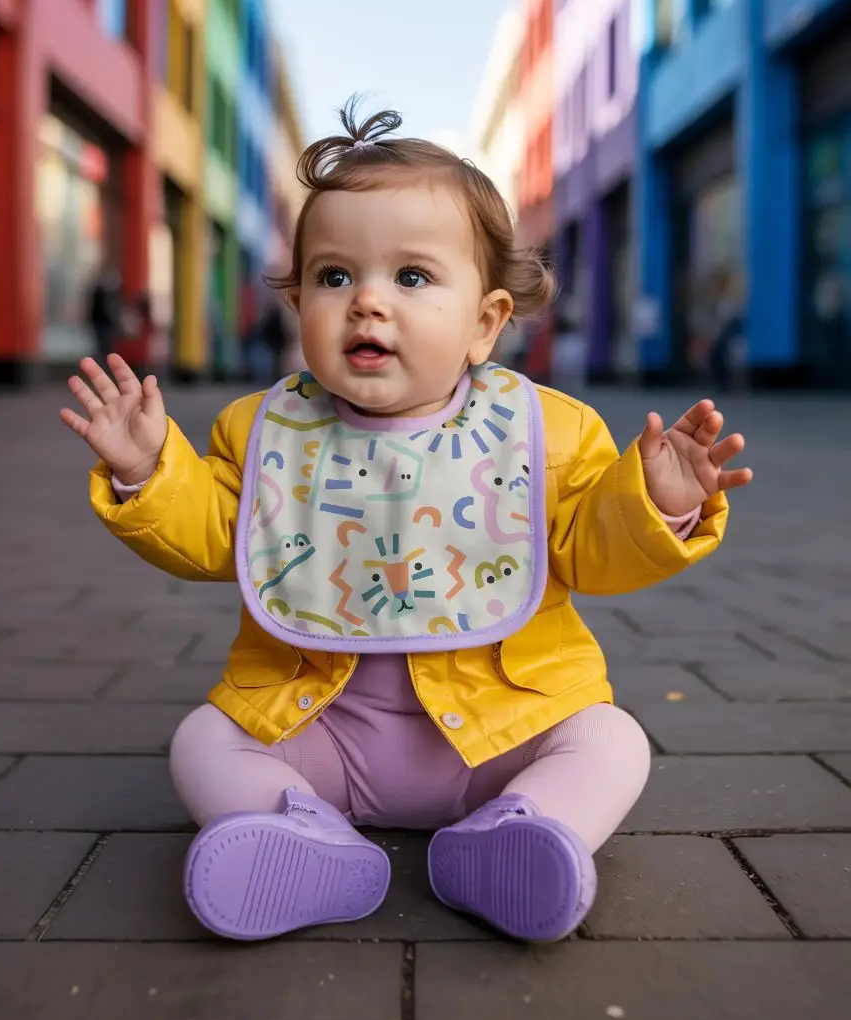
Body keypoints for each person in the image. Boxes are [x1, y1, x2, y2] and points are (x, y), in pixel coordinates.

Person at [60, 100, 753, 944]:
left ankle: (523, 832)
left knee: (611, 739)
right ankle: (295, 833)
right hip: (319, 728)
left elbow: (586, 551)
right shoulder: (265, 431)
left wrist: (659, 503)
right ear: (300, 300)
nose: (367, 305)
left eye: (413, 277)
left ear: (486, 324)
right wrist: (147, 472)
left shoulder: (550, 432)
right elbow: (223, 536)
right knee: (202, 739)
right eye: (335, 276)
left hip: (502, 730)